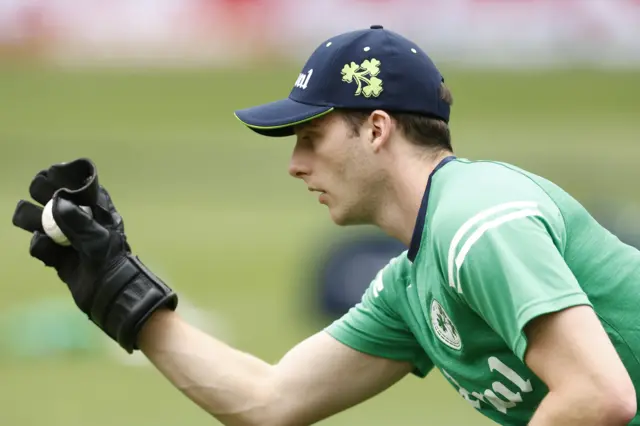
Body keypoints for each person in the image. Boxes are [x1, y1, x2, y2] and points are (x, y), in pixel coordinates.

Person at [11, 25, 640, 426]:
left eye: (311, 137)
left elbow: (598, 397)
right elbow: (268, 399)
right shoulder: (413, 282)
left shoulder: (475, 220)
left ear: (376, 128)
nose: (294, 164)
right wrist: (129, 301)